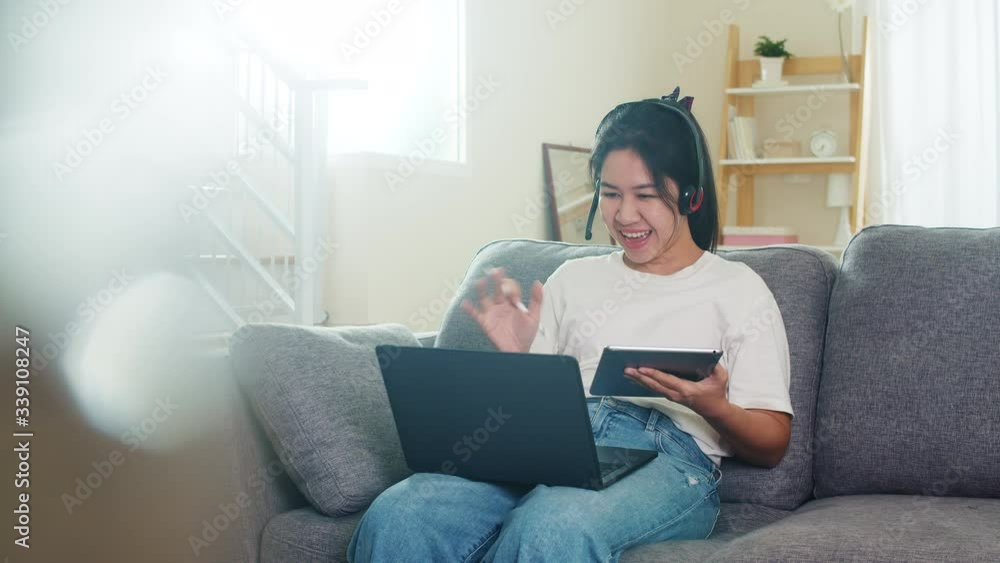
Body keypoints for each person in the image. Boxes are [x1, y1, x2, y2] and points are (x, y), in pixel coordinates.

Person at [347, 89, 793, 563]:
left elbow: (772, 443)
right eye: (611, 193)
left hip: (669, 458)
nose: (624, 215)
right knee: (400, 514)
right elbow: (528, 413)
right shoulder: (572, 278)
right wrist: (518, 358)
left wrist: (714, 407)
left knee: (552, 526)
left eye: (646, 195)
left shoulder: (738, 289)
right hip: (554, 445)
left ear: (690, 196)